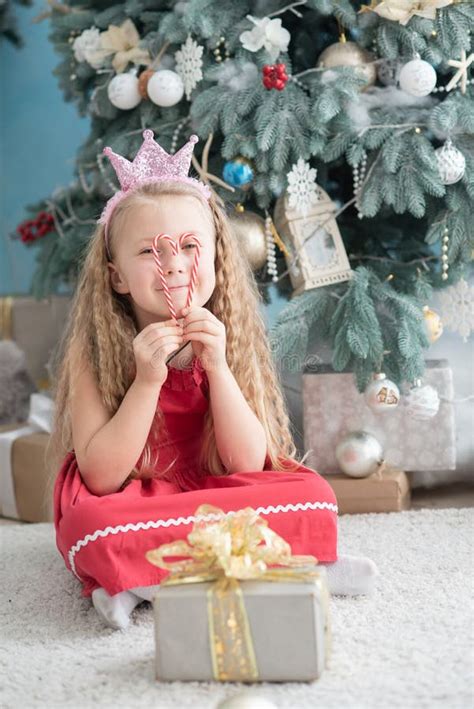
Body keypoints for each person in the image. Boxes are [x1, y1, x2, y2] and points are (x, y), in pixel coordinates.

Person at [49, 130, 378, 630]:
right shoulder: (93, 351)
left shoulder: (230, 338)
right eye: (150, 252)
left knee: (313, 496)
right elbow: (100, 478)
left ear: (217, 261)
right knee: (91, 526)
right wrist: (145, 382)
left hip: (220, 489)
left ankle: (142, 581)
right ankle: (147, 578)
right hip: (131, 498)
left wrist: (219, 366)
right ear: (117, 277)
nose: (174, 265)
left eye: (188, 246)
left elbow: (247, 463)